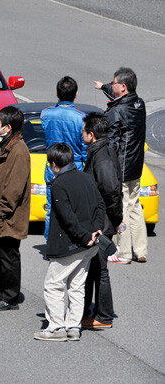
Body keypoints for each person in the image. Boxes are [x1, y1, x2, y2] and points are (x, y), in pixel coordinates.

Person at [34, 143, 104, 342]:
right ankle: (74, 325)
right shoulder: (86, 178)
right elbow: (100, 204)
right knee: (77, 285)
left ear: (54, 164)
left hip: (69, 244)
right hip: (90, 244)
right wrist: (96, 230)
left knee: (54, 285)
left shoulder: (58, 183)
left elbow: (67, 217)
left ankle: (56, 328)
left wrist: (83, 235)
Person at [94, 67, 147, 264]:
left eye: (114, 82)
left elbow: (112, 142)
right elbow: (119, 95)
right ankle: (141, 250)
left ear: (123, 86)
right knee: (135, 207)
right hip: (136, 166)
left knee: (122, 207)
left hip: (122, 167)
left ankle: (123, 253)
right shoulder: (138, 103)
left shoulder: (116, 111)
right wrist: (103, 87)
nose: (111, 84)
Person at [0, 106, 31, 312]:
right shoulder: (5, 146)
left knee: (7, 257)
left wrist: (0, 213)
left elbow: (14, 189)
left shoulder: (19, 151)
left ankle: (9, 298)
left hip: (7, 217)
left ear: (8, 127)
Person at [81, 113, 124, 329]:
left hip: (102, 221)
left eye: (84, 131)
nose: (81, 134)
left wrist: (117, 219)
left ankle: (104, 316)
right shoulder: (100, 151)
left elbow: (110, 190)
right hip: (99, 219)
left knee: (100, 270)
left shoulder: (103, 155)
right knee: (94, 269)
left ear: (92, 134)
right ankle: (89, 311)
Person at [41, 76, 86, 239]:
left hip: (52, 166)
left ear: (57, 93)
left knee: (52, 207)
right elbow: (84, 148)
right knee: (74, 208)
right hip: (74, 167)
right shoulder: (81, 118)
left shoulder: (46, 114)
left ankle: (50, 241)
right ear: (76, 94)